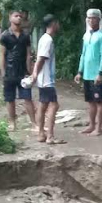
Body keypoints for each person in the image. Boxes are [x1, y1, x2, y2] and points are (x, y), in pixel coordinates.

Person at [0, 11, 37, 132]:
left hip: (23, 72)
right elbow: (2, 55)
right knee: (10, 99)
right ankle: (12, 123)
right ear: (10, 18)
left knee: (27, 98)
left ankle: (33, 123)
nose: (19, 18)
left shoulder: (25, 36)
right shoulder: (5, 35)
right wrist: (3, 73)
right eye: (16, 16)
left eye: (20, 16)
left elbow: (28, 55)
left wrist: (30, 72)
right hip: (10, 71)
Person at [74, 8, 102, 136]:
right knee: (90, 102)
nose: (90, 20)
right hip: (87, 74)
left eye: (93, 17)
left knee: (99, 101)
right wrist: (80, 71)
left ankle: (99, 128)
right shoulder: (86, 35)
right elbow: (83, 54)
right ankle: (91, 125)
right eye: (88, 17)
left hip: (97, 75)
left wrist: (100, 73)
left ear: (98, 19)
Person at [31, 14, 64, 145]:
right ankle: (50, 136)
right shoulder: (48, 40)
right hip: (46, 79)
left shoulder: (43, 38)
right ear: (53, 23)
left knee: (43, 105)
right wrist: (34, 74)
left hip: (43, 79)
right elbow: (41, 59)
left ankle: (41, 133)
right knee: (54, 105)